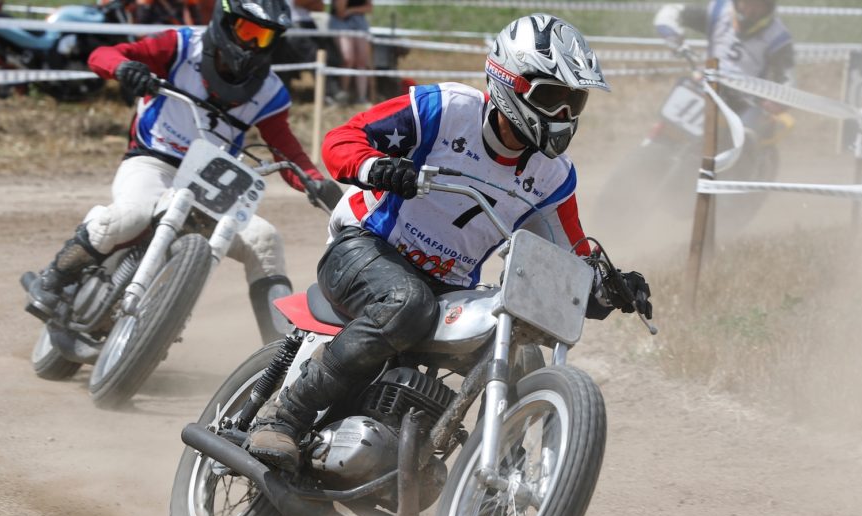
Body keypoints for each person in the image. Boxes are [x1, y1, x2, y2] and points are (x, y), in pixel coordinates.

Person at [245, 14, 654, 470]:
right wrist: (375, 167)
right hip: (365, 246)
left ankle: (493, 472)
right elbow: (343, 138)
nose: (563, 115)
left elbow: (572, 253)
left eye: (574, 101)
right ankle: (285, 418)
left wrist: (606, 287)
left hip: (447, 286)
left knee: (518, 345)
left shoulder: (554, 176)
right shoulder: (446, 109)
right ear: (510, 83)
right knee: (407, 303)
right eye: (553, 97)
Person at [22, 0, 341, 344]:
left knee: (265, 241)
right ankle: (54, 278)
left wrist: (315, 180)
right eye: (247, 31)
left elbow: (284, 146)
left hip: (212, 187)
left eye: (262, 37)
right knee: (131, 216)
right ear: (224, 21)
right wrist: (125, 68)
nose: (251, 45)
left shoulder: (270, 91)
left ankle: (277, 351)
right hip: (153, 163)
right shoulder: (180, 45)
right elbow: (102, 54)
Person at [655, 0, 794, 138]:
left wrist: (779, 99)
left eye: (758, 5)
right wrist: (672, 36)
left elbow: (786, 76)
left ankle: (744, 157)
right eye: (746, 3)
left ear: (768, 7)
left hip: (746, 101)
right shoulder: (720, 11)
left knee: (747, 138)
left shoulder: (778, 36)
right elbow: (671, 13)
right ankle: (653, 139)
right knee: (670, 119)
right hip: (707, 86)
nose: (750, 10)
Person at [328, 0, 373, 104]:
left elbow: (369, 8)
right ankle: (343, 95)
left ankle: (361, 98)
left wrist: (351, 10)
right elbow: (341, 12)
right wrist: (351, 11)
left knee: (362, 61)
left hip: (359, 21)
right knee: (348, 59)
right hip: (340, 22)